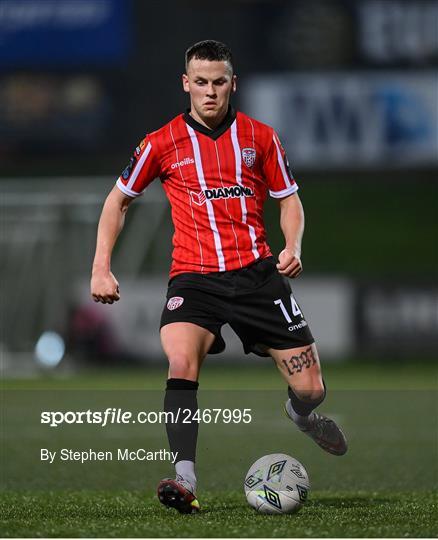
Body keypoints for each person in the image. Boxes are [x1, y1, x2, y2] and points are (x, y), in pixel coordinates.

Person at [91, 40, 347, 514]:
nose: (210, 92)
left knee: (311, 389)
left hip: (257, 277)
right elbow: (117, 201)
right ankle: (184, 479)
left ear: (233, 83)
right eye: (201, 82)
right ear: (186, 84)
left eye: (219, 82)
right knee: (181, 361)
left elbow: (288, 199)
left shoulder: (260, 137)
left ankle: (301, 415)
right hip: (194, 279)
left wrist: (293, 247)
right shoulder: (160, 142)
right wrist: (101, 266)